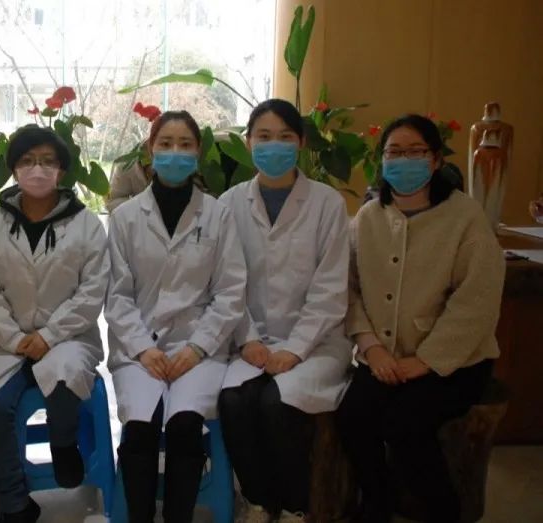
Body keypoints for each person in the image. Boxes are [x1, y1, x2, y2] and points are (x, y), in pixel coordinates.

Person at [337, 114, 505, 523]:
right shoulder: (368, 218)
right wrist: (371, 347)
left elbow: (477, 300)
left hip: (455, 362)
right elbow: (349, 289)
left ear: (435, 160)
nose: (404, 161)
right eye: (394, 152)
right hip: (384, 356)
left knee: (406, 425)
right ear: (382, 161)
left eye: (415, 152)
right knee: (353, 416)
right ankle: (376, 504)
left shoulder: (465, 217)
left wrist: (427, 360)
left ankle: (445, 511)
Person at [105, 110, 248, 523]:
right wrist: (142, 349)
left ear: (198, 152)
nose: (175, 152)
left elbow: (230, 292)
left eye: (185, 144)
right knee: (141, 428)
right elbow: (117, 295)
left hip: (198, 346)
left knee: (186, 426)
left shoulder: (218, 215)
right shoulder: (126, 218)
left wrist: (197, 348)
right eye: (165, 144)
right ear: (150, 150)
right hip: (139, 349)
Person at [216, 98, 352, 523]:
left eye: (285, 137)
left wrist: (295, 348)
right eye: (264, 137)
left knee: (277, 406)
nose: (274, 146)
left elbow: (331, 287)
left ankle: (294, 506)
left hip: (316, 343)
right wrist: (248, 339)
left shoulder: (327, 204)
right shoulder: (229, 204)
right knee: (234, 402)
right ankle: (258, 501)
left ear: (302, 143)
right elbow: (227, 284)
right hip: (251, 340)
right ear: (248, 142)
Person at [0, 125, 110, 523]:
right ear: (14, 169)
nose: (38, 169)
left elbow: (92, 290)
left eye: (48, 161)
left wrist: (49, 335)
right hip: (8, 341)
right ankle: (14, 503)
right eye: (28, 160)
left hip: (69, 338)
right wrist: (14, 337)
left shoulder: (86, 224)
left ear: (62, 170)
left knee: (64, 382)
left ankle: (62, 444)